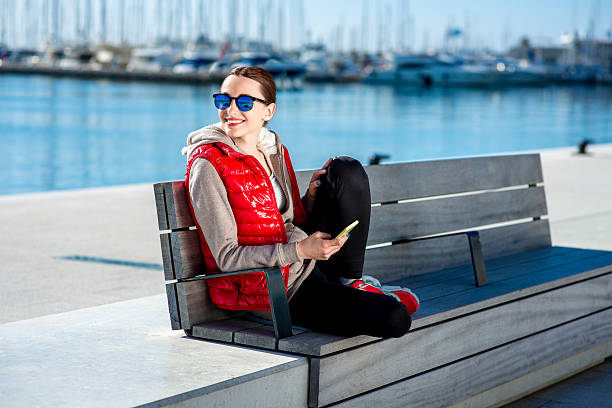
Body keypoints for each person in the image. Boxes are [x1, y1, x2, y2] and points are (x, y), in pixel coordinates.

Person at [184, 66, 418, 338]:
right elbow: (227, 257)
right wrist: (301, 251)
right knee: (394, 318)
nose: (231, 110)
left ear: (268, 111)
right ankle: (364, 295)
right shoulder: (208, 165)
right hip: (272, 287)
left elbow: (288, 221)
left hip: (302, 260)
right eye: (224, 101)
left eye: (244, 102)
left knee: (344, 171)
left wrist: (309, 200)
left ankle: (352, 282)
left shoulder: (273, 150)